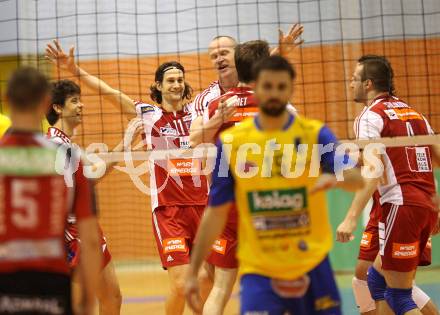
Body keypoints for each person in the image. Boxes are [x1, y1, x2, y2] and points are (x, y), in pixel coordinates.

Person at [185, 56, 364, 315]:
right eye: (268, 86)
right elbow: (215, 212)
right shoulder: (232, 142)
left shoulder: (314, 134)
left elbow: (356, 178)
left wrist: (333, 177)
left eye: (281, 87)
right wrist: (193, 272)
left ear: (290, 90)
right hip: (260, 268)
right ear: (256, 87)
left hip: (310, 262)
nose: (274, 94)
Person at [45, 40, 210, 315]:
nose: (177, 85)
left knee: (206, 280)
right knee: (180, 284)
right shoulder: (148, 115)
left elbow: (233, 89)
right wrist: (75, 70)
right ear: (158, 86)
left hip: (203, 207)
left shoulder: (198, 114)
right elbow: (109, 91)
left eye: (180, 79)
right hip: (169, 212)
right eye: (170, 80)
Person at [336, 55, 440, 315]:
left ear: (368, 83)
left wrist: (349, 218)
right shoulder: (415, 113)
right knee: (377, 278)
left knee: (399, 294)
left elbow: (373, 171)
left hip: (400, 205)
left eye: (353, 79)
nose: (350, 84)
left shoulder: (370, 116)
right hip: (423, 204)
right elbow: (435, 157)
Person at [0, 67, 101, 315]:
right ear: (47, 102)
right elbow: (90, 239)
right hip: (52, 278)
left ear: (7, 101)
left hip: (6, 277)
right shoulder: (68, 155)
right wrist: (88, 298)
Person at [46, 79, 142, 315]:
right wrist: (126, 142)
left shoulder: (69, 144)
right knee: (81, 305)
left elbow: (95, 168)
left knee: (112, 297)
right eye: (74, 101)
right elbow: (92, 176)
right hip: (70, 234)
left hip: (87, 229)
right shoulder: (55, 145)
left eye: (81, 100)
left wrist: (125, 148)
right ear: (58, 108)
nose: (81, 106)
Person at [190, 24, 303, 146]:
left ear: (236, 55)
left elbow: (255, 64)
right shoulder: (206, 99)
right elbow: (192, 141)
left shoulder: (267, 97)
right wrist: (218, 119)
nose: (219, 59)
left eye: (224, 53)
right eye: (214, 56)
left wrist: (279, 52)